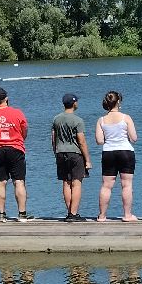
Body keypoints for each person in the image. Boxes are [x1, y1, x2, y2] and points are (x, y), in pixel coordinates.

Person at [0, 86, 31, 222]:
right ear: (6, 99)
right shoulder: (17, 113)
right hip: (15, 148)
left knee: (0, 182)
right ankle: (22, 214)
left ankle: (1, 215)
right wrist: (20, 140)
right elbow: (24, 129)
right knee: (19, 181)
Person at [95, 90, 139, 223]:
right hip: (125, 152)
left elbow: (99, 141)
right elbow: (134, 138)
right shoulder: (126, 118)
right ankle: (127, 215)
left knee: (106, 185)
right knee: (126, 185)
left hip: (108, 153)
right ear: (118, 102)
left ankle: (102, 216)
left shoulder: (101, 120)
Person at [50, 93, 93, 222]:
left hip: (60, 152)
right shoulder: (77, 120)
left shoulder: (56, 119)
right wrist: (88, 160)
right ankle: (73, 213)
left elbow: (53, 138)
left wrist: (56, 152)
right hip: (75, 153)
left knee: (66, 182)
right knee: (76, 183)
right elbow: (81, 141)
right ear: (74, 103)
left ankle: (69, 212)